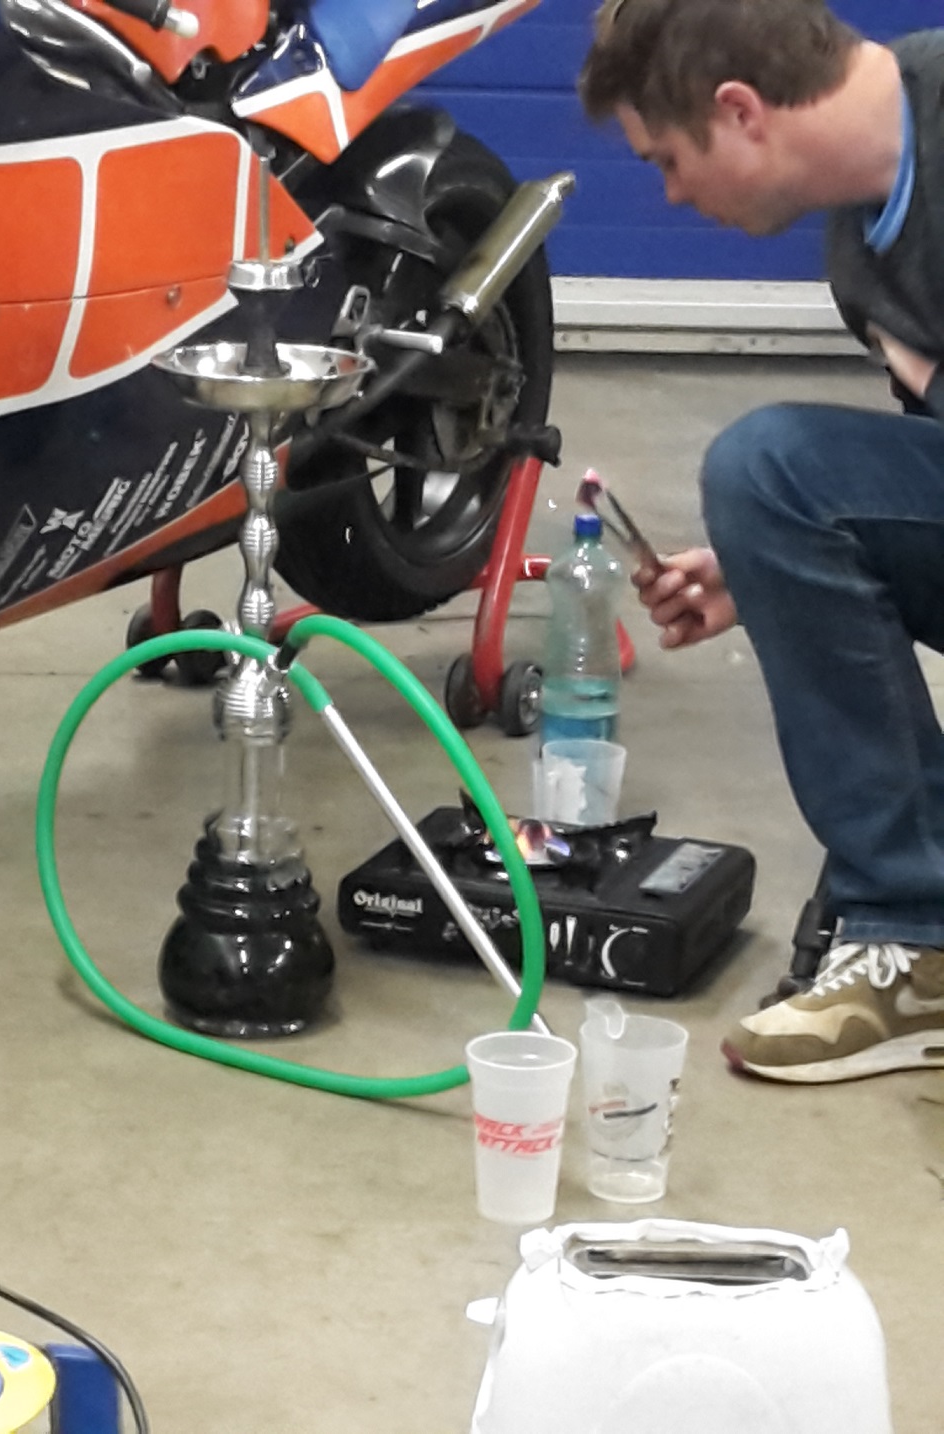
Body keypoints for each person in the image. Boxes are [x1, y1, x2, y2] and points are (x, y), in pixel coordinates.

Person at [578, 0, 944, 1084]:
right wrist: (777, 564)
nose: (670, 195)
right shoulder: (860, 254)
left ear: (739, 111)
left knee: (774, 468)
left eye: (668, 159)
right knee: (774, 483)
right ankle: (918, 941)